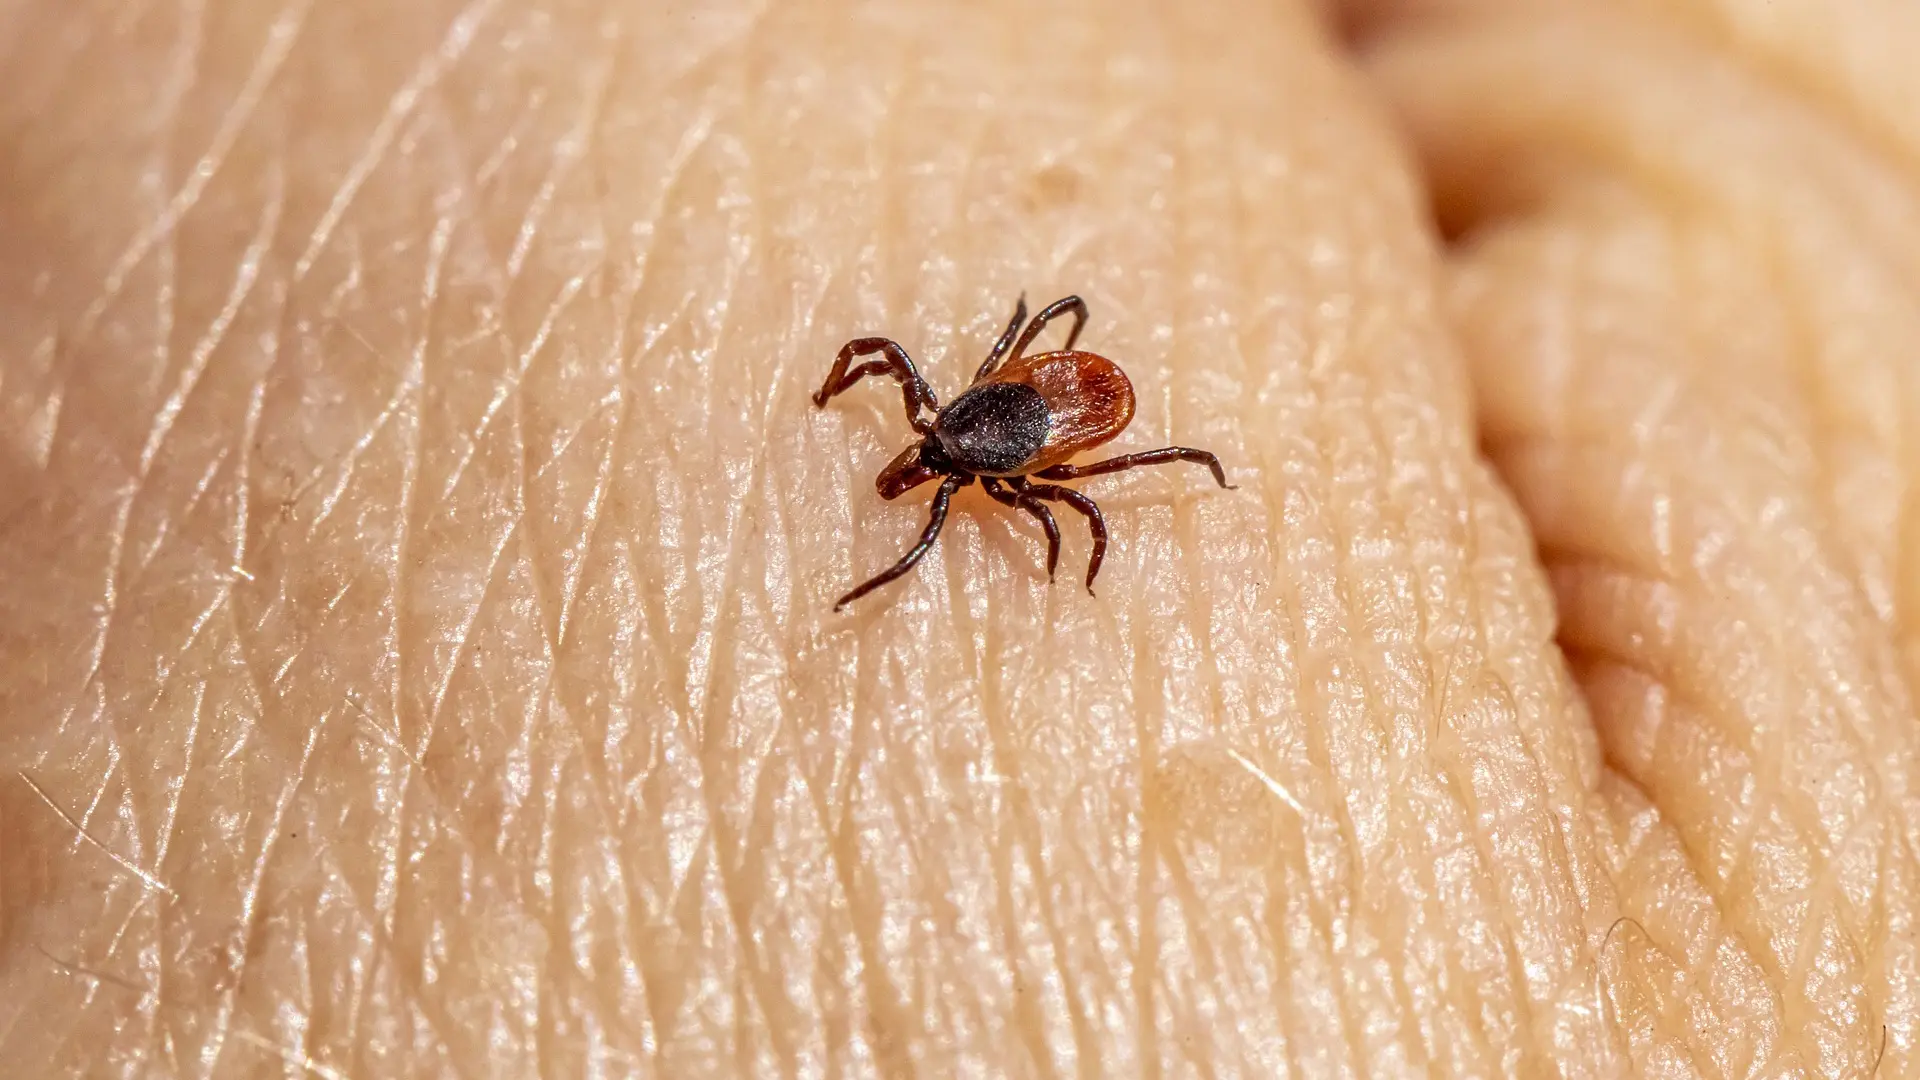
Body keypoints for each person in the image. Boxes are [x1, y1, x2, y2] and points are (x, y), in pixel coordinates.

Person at [2, 0, 1914, 1074]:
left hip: (1090, 401)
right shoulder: (969, 430)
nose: (928, 451)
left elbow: (1070, 478)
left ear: (981, 443)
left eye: (933, 452)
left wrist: (1037, 497)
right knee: (1043, 403)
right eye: (929, 442)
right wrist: (896, 427)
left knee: (1105, 476)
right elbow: (980, 368)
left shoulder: (1019, 466)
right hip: (1072, 386)